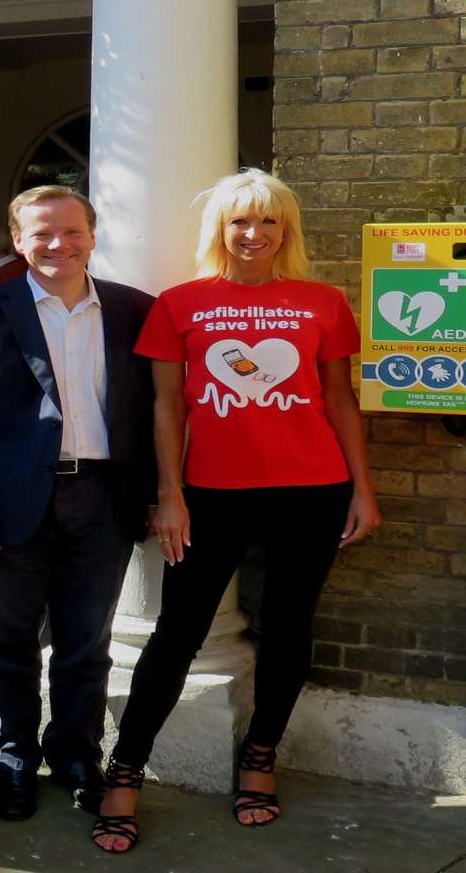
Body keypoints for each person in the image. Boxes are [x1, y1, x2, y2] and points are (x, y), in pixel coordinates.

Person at [93, 168, 379, 853]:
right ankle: (125, 769)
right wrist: (171, 492)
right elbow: (169, 405)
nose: (254, 235)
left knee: (288, 628)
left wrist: (362, 489)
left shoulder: (322, 302)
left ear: (288, 230)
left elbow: (340, 400)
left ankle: (260, 755)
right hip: (212, 494)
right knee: (176, 633)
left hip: (312, 490)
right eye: (240, 222)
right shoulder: (182, 304)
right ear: (219, 230)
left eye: (268, 222)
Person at [0, 186, 157, 820]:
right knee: (6, 642)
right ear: (17, 240)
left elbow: (154, 411)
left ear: (92, 234)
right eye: (41, 234)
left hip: (103, 498)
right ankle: (13, 759)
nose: (57, 244)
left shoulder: (133, 311)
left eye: (70, 231)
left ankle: (76, 755)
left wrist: (152, 495)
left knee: (85, 643)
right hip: (9, 505)